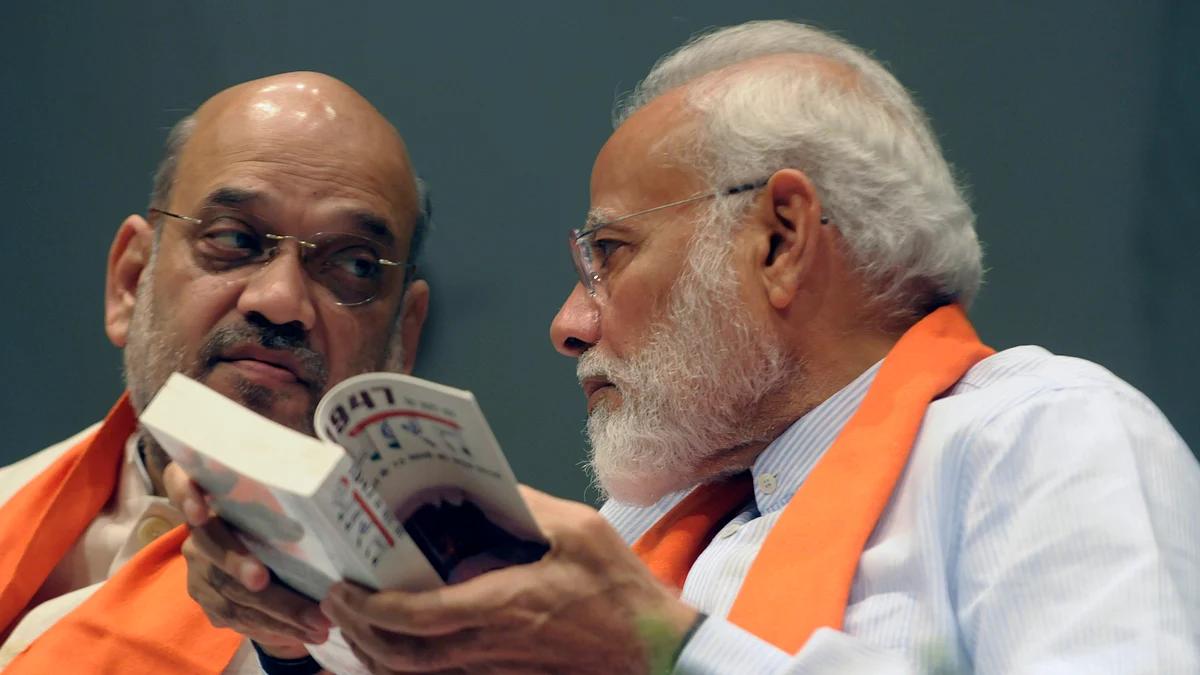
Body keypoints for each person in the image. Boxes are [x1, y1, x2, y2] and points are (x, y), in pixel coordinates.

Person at [308, 20, 1200, 674]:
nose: (569, 323)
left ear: (779, 239)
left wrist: (666, 650)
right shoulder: (651, 525)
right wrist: (300, 621)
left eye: (608, 254)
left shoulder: (1044, 438)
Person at [0, 71, 431, 674]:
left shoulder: (436, 626)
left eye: (355, 264)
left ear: (403, 338)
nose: (280, 300)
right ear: (130, 282)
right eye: (233, 239)